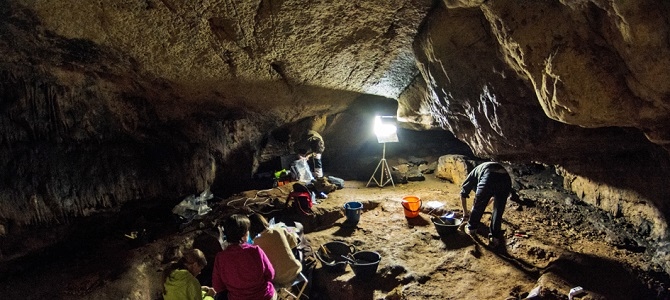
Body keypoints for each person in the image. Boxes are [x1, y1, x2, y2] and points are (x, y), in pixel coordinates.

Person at [212, 214, 277, 300]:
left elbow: (218, 287)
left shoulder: (220, 258)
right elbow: (271, 274)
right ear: (244, 234)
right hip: (265, 296)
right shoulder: (255, 251)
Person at [460, 161, 514, 248]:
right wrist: (481, 202)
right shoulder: (479, 174)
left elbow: (463, 194)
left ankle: (471, 228)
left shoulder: (472, 176)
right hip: (506, 179)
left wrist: (465, 214)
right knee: (498, 210)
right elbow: (491, 197)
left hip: (489, 175)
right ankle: (495, 237)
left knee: (478, 205)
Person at [248, 213, 302, 286]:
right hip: (296, 269)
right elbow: (294, 243)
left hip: (278, 279)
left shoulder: (256, 244)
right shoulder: (278, 231)